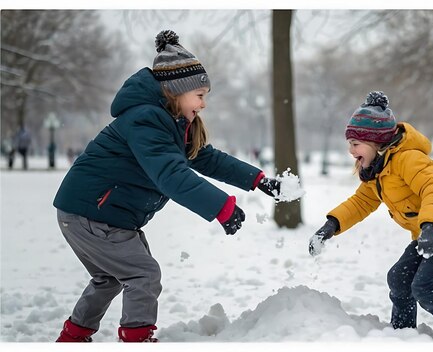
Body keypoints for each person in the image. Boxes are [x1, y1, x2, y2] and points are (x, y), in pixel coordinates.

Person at [53, 30, 282, 343]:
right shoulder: (147, 120)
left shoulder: (171, 123)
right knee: (142, 274)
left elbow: (208, 159)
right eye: (199, 95)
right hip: (93, 213)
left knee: (110, 278)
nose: (203, 104)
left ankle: (73, 337)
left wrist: (257, 180)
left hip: (90, 212)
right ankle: (136, 339)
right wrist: (221, 207)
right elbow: (171, 175)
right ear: (177, 92)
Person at [308, 91, 433, 342]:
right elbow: (361, 202)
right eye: (349, 144)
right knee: (399, 279)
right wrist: (331, 225)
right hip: (426, 231)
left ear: (375, 142)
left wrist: (430, 226)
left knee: (425, 287)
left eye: (355, 144)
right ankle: (403, 335)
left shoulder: (409, 159)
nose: (351, 151)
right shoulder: (377, 169)